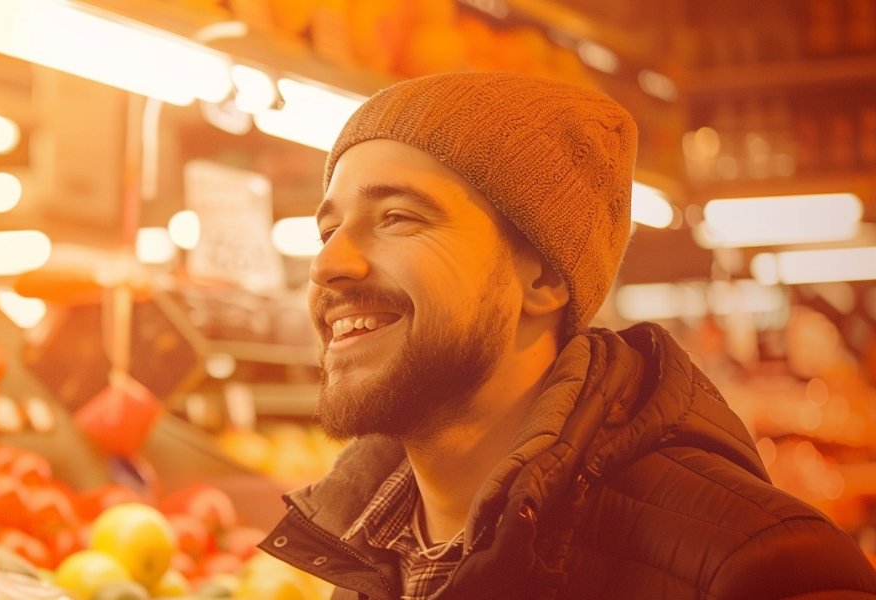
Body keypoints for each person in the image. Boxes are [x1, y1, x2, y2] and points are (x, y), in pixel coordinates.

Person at [258, 72, 876, 600]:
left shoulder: (759, 569)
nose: (326, 266)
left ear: (547, 277)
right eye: (327, 230)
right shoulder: (368, 554)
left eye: (397, 217)